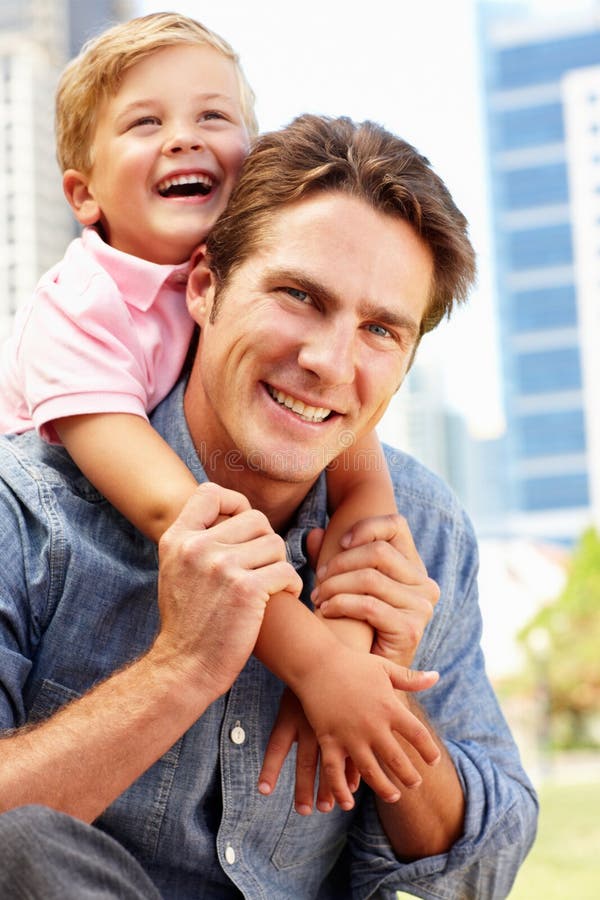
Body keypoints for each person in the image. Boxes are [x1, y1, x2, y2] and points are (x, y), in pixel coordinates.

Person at [0, 114, 538, 898]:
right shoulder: (27, 505)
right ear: (204, 288)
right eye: (298, 295)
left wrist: (385, 694)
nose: (328, 362)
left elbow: (481, 871)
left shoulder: (420, 530)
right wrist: (183, 668)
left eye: (381, 330)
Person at [0, 12, 426, 807]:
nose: (184, 138)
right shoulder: (78, 309)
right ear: (83, 195)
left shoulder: (255, 306)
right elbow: (175, 513)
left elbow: (359, 474)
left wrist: (353, 633)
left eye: (213, 116)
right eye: (145, 122)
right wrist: (319, 667)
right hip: (80, 559)